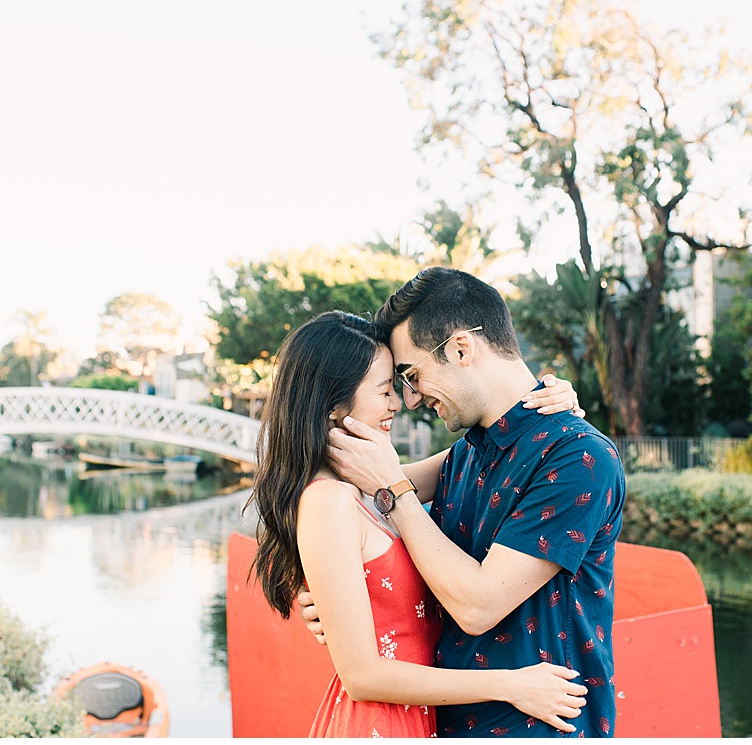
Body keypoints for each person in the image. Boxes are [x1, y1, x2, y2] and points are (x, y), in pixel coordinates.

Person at [311, 267, 626, 737]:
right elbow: (349, 497)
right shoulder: (467, 453)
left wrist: (395, 492)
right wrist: (328, 589)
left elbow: (478, 607)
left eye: (412, 375)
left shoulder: (579, 457)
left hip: (535, 726)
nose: (411, 399)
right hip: (444, 722)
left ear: (461, 349)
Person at [248, 310, 590, 738]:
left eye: (401, 384)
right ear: (335, 403)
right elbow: (362, 675)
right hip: (380, 721)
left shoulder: (366, 488)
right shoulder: (331, 501)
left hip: (415, 715)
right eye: (385, 389)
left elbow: (504, 453)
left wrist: (552, 405)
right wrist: (510, 685)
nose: (400, 402)